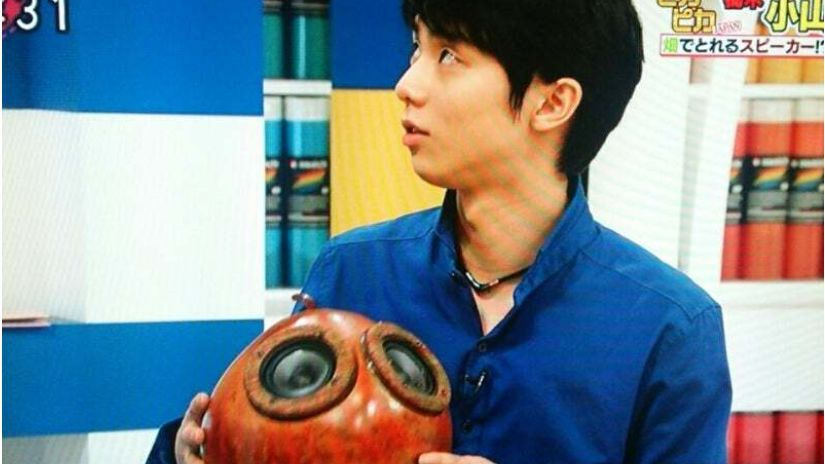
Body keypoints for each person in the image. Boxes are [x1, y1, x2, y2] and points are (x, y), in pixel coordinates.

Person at [149, 0, 732, 462]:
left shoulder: (670, 327)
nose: (407, 84)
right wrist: (194, 450)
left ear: (552, 102)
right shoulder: (352, 268)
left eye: (449, 55)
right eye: (416, 48)